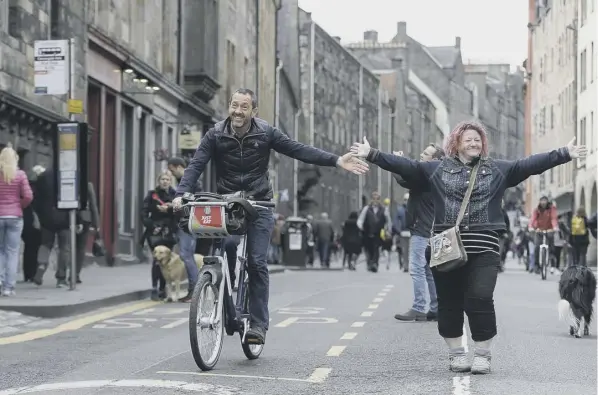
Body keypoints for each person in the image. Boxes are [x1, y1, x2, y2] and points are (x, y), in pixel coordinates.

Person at [350, 121, 586, 374]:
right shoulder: (437, 169)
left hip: (484, 247)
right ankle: (456, 354)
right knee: (449, 302)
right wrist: (372, 154)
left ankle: (483, 354)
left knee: (480, 298)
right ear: (456, 144)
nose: (474, 143)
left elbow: (528, 164)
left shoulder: (497, 170)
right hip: (446, 247)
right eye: (468, 140)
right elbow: (407, 166)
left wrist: (564, 154)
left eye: (478, 139)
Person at [172, 88, 368, 344]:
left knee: (256, 262)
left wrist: (336, 161)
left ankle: (258, 324)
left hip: (259, 203)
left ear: (253, 111)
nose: (237, 112)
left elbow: (298, 150)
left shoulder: (265, 133)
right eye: (234, 105)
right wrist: (181, 193)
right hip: (228, 203)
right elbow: (196, 164)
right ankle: (225, 290)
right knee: (227, 246)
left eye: (244, 107)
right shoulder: (215, 134)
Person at [393, 144, 444, 322]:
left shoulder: (426, 176)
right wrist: (398, 164)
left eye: (426, 153)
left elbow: (404, 179)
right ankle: (436, 308)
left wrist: (397, 162)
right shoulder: (435, 176)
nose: (421, 155)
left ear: (435, 160)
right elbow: (405, 178)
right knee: (429, 270)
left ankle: (419, 307)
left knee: (416, 268)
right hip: (430, 227)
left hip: (422, 228)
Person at [168, 156, 203, 302]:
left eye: (172, 170)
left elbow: (193, 201)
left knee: (186, 255)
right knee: (186, 255)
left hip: (189, 222)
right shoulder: (180, 181)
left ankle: (194, 290)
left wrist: (173, 206)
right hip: (184, 222)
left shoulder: (192, 181)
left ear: (178, 167)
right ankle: (194, 289)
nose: (171, 173)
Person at [0, 146, 33, 296]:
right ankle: (8, 287)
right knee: (12, 252)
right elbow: (28, 196)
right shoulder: (20, 175)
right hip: (15, 217)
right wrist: (19, 206)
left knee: (0, 251)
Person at [141, 170, 177, 300]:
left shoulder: (175, 195)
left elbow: (180, 214)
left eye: (167, 179)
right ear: (158, 181)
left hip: (169, 233)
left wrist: (170, 208)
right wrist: (152, 225)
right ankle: (154, 288)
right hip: (154, 233)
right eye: (162, 179)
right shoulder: (152, 195)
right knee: (157, 260)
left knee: (166, 262)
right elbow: (144, 213)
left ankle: (163, 288)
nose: (165, 182)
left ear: (170, 181)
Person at [357, 191, 391, 272]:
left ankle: (375, 264)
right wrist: (361, 227)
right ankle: (370, 263)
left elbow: (388, 221)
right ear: (371, 199)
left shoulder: (384, 209)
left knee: (376, 248)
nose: (375, 200)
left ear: (379, 200)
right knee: (368, 249)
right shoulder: (366, 209)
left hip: (379, 233)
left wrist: (388, 230)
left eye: (377, 199)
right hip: (367, 232)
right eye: (374, 198)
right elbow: (360, 220)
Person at [529, 196, 558, 274]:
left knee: (552, 247)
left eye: (545, 200)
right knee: (536, 247)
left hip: (549, 230)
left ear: (547, 201)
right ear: (540, 202)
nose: (543, 202)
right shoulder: (537, 210)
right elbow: (533, 219)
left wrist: (555, 227)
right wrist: (532, 227)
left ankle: (552, 265)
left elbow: (553, 218)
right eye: (542, 200)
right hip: (539, 230)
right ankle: (536, 266)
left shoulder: (551, 209)